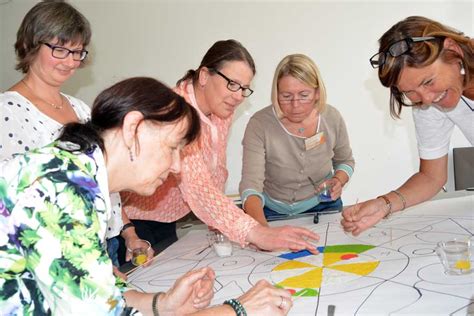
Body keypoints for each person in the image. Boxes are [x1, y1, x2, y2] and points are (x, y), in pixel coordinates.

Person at [0, 77, 294, 315]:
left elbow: (99, 290)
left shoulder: (84, 176)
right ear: (132, 129)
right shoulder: (61, 186)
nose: (177, 166)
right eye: (172, 148)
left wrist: (161, 303)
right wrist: (237, 310)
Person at [123, 40, 319, 254]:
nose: (238, 96)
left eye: (244, 89)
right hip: (134, 223)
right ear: (205, 76)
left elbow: (216, 172)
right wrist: (256, 232)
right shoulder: (175, 112)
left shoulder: (221, 109)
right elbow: (197, 187)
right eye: (232, 84)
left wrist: (225, 224)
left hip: (169, 219)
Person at [0, 1, 146, 271]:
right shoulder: (7, 112)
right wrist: (85, 261)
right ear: (31, 44)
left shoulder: (80, 108)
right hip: (50, 265)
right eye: (60, 50)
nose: (70, 62)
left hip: (101, 247)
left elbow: (102, 179)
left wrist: (128, 232)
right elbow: (14, 210)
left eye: (77, 52)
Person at [342, 16, 473, 236]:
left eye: (428, 82)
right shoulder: (429, 103)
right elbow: (432, 177)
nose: (427, 99)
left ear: (453, 51)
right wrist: (384, 204)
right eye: (409, 92)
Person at [239, 54, 355, 226]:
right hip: (269, 212)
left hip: (323, 206)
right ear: (276, 94)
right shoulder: (260, 124)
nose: (295, 105)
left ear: (317, 93)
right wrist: (262, 231)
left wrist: (338, 180)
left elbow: (345, 161)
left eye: (304, 95)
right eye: (286, 96)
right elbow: (251, 184)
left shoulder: (332, 118)